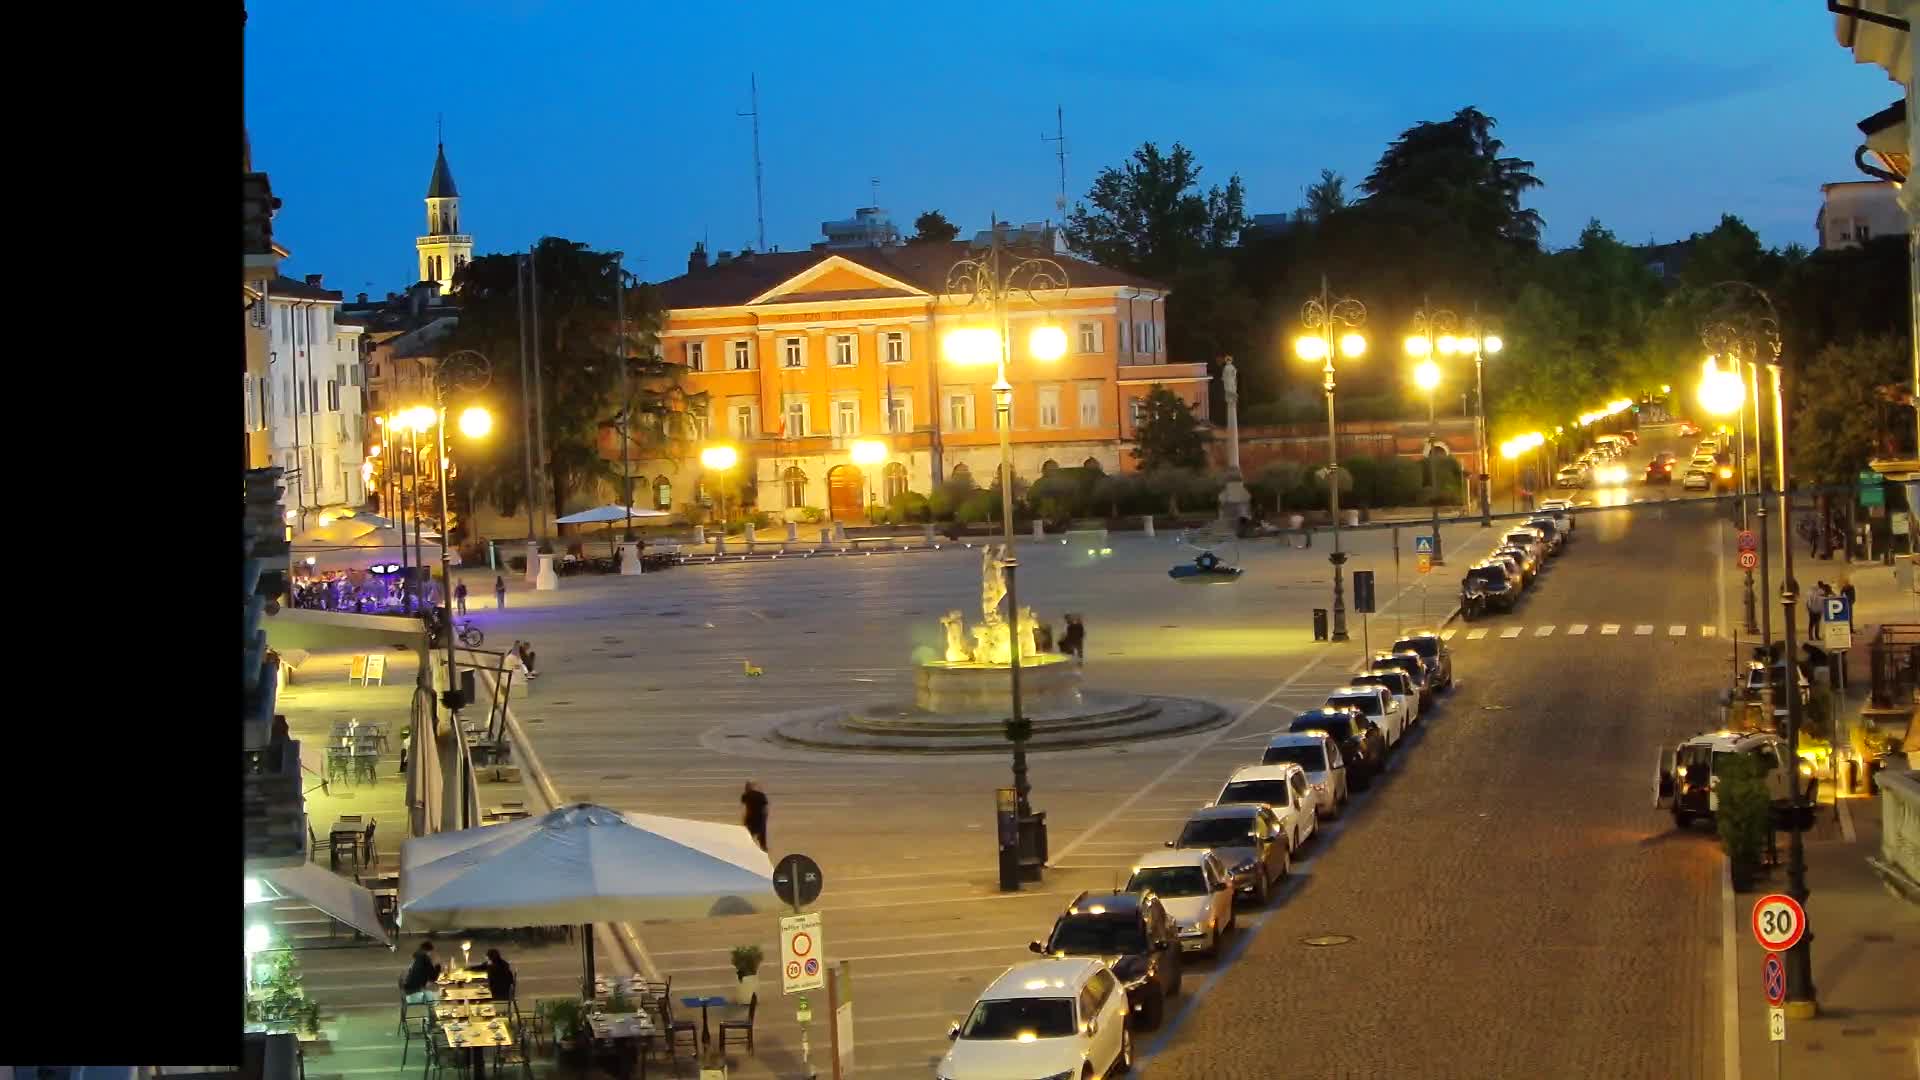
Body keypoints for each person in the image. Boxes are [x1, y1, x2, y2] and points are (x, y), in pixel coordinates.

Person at [741, 781, 769, 852]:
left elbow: (744, 804)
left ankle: (748, 850)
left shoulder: (746, 795)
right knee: (762, 837)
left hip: (750, 818)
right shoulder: (761, 795)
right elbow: (765, 808)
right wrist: (765, 818)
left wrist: (744, 819)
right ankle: (764, 850)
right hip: (761, 817)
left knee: (748, 835)